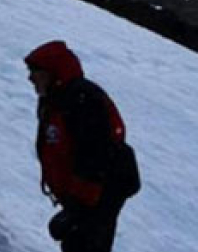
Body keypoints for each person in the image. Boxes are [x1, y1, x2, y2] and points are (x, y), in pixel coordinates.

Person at [25, 40, 140, 252]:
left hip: (103, 190)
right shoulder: (56, 99)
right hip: (88, 192)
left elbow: (96, 155)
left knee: (84, 244)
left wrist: (77, 207)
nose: (30, 78)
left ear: (52, 72)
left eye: (36, 72)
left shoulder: (82, 100)